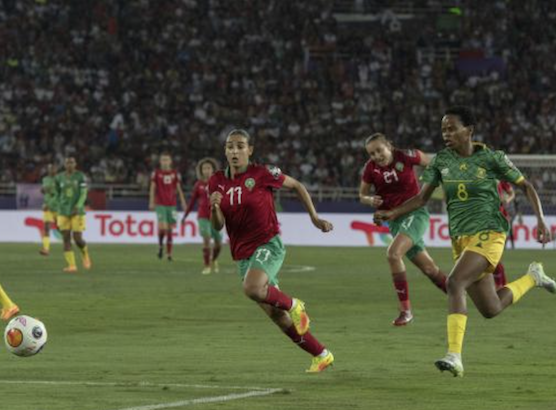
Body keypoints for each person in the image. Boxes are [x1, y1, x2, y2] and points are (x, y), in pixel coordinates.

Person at [375, 106, 554, 377]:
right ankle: (533, 277)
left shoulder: (492, 158)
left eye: (451, 128)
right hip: (460, 238)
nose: (446, 134)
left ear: (468, 130)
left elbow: (526, 186)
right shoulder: (440, 162)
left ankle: (454, 355)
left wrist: (540, 220)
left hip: (491, 231)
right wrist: (393, 212)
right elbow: (422, 199)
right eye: (443, 129)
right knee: (491, 308)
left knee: (454, 282)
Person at [209, 129, 334, 373]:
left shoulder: (263, 173)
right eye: (229, 146)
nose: (234, 151)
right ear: (225, 150)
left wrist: (315, 217)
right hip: (243, 254)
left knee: (252, 288)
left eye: (240, 146)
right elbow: (218, 225)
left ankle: (295, 304)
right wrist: (213, 206)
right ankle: (321, 354)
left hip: (267, 244)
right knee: (276, 315)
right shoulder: (216, 181)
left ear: (250, 150)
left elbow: (297, 185)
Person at [359, 133, 448, 326]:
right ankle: (458, 293)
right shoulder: (370, 169)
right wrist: (369, 200)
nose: (376, 156)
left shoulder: (406, 156)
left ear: (389, 146)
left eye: (379, 150)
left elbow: (432, 164)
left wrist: (432, 186)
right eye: (372, 153)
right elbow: (362, 195)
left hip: (415, 214)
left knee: (393, 254)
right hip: (394, 221)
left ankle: (405, 311)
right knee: (429, 268)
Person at [182, 158, 222, 275]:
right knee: (206, 239)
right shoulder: (198, 185)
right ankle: (206, 266)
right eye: (204, 168)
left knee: (218, 244)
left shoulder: (218, 183)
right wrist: (185, 216)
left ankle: (213, 259)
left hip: (216, 217)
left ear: (213, 169)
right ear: (201, 170)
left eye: (209, 168)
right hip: (203, 216)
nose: (207, 170)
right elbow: (192, 202)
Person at [55, 156, 91, 273]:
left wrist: (78, 205)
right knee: (65, 238)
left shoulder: (80, 176)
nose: (69, 165)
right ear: (64, 164)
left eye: (71, 163)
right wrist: (57, 209)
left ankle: (85, 253)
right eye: (67, 163)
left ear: (75, 164)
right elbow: (57, 195)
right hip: (63, 212)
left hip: (77, 211)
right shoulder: (59, 177)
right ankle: (72, 266)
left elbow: (83, 193)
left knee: (77, 239)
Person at [149, 152, 187, 261]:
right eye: (163, 160)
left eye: (167, 160)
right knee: (163, 228)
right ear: (160, 162)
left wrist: (183, 202)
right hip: (160, 204)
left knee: (170, 230)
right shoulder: (156, 173)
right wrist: (151, 202)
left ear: (170, 162)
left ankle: (169, 254)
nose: (165, 162)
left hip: (172, 206)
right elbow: (152, 188)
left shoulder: (175, 173)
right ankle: (161, 246)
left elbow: (179, 189)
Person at [39, 163, 59, 256]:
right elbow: (46, 191)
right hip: (47, 207)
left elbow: (58, 194)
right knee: (46, 228)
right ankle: (46, 249)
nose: (51, 170)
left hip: (57, 207)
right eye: (49, 168)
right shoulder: (45, 179)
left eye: (53, 168)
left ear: (56, 170)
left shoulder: (60, 179)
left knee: (60, 228)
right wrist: (43, 190)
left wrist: (49, 203)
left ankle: (69, 242)